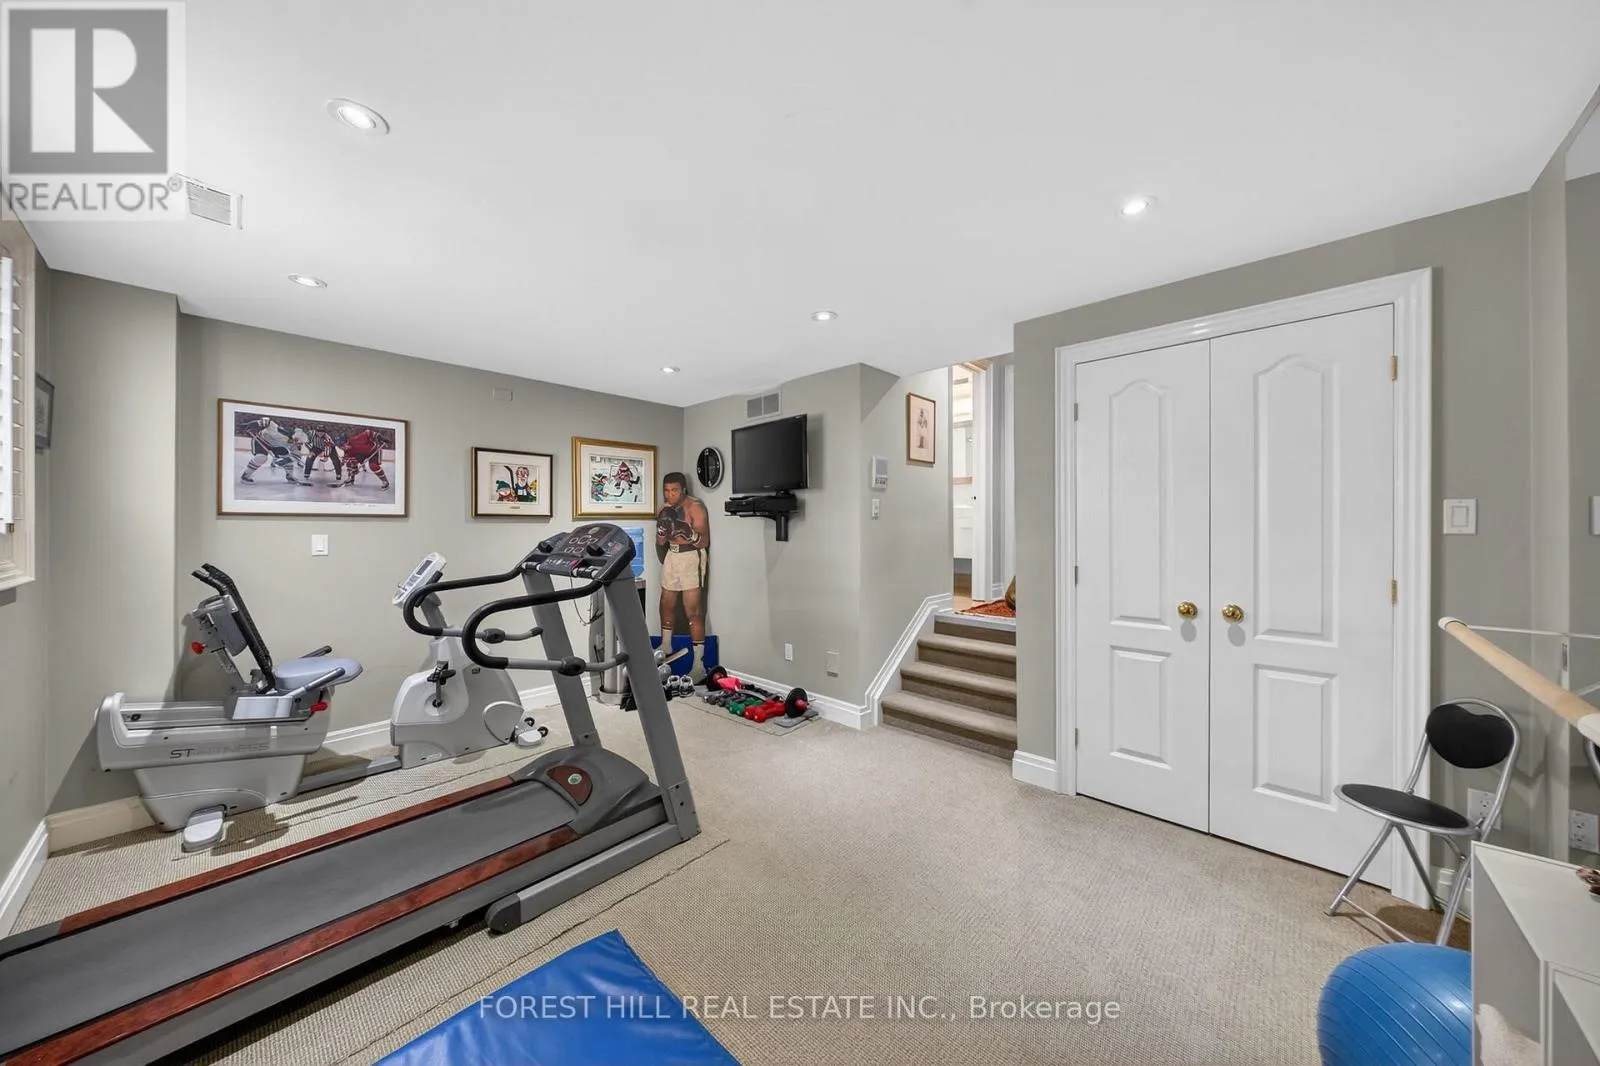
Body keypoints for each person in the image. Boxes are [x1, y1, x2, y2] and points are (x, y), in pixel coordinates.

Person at [656, 471, 710, 675]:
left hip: (691, 556)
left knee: (692, 611)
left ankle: (699, 664)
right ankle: (666, 645)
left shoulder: (695, 507)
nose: (670, 494)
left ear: (683, 489)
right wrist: (662, 533)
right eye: (667, 490)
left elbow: (704, 541)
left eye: (674, 490)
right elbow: (660, 541)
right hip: (672, 555)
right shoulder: (664, 509)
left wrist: (688, 533)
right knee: (665, 603)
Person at [240, 416, 309, 485]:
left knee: (287, 457)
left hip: (275, 446)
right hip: (262, 441)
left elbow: (296, 456)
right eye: (296, 440)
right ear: (293, 436)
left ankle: (290, 476)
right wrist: (249, 425)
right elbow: (265, 421)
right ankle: (245, 476)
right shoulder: (278, 430)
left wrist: (284, 461)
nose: (296, 443)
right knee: (261, 457)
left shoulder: (294, 445)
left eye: (299, 443)